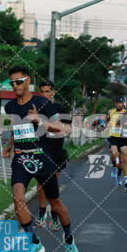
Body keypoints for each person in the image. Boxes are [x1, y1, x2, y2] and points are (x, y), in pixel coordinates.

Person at [2, 66, 79, 252]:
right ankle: (34, 243)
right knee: (18, 200)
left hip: (42, 159)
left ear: (28, 81)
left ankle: (69, 240)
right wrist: (10, 146)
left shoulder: (42, 103)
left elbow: (64, 128)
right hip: (20, 158)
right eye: (12, 83)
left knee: (57, 204)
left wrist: (41, 121)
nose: (15, 86)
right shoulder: (10, 107)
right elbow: (17, 129)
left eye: (18, 81)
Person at [37, 80, 72, 231]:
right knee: (40, 181)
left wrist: (55, 128)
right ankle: (42, 211)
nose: (45, 94)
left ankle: (55, 213)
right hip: (41, 148)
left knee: (53, 183)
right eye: (42, 92)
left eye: (47, 91)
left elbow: (68, 129)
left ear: (53, 92)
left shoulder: (60, 108)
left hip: (56, 150)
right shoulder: (36, 108)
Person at [106, 96, 127, 188]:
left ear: (123, 104)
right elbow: (107, 120)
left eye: (120, 103)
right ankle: (114, 167)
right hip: (113, 136)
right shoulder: (111, 112)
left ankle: (119, 175)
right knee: (114, 153)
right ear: (115, 103)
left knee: (122, 161)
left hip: (123, 138)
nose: (119, 104)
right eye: (117, 102)